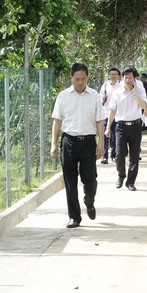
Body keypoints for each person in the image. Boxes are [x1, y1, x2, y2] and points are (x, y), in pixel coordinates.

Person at [50, 63, 105, 228]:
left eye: (83, 79)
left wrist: (101, 142)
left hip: (88, 142)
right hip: (69, 142)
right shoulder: (63, 96)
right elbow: (57, 120)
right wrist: (53, 143)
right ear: (71, 78)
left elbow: (99, 121)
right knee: (70, 181)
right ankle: (74, 217)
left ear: (87, 78)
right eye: (77, 79)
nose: (80, 82)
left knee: (90, 178)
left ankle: (89, 201)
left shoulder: (94, 95)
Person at [106, 66, 147, 191]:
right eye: (126, 77)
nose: (128, 80)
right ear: (122, 78)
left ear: (134, 78)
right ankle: (121, 175)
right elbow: (112, 111)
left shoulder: (140, 90)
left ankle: (130, 182)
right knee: (119, 154)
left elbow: (143, 106)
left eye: (130, 77)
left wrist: (134, 92)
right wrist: (108, 127)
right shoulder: (117, 92)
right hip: (120, 126)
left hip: (135, 126)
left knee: (134, 156)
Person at [99, 67, 122, 164]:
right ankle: (104, 157)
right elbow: (100, 98)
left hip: (117, 115)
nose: (113, 76)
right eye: (111, 74)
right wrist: (103, 99)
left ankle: (114, 155)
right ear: (109, 76)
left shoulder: (121, 87)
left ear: (118, 76)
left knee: (114, 136)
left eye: (115, 74)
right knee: (105, 136)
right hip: (105, 113)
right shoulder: (104, 86)